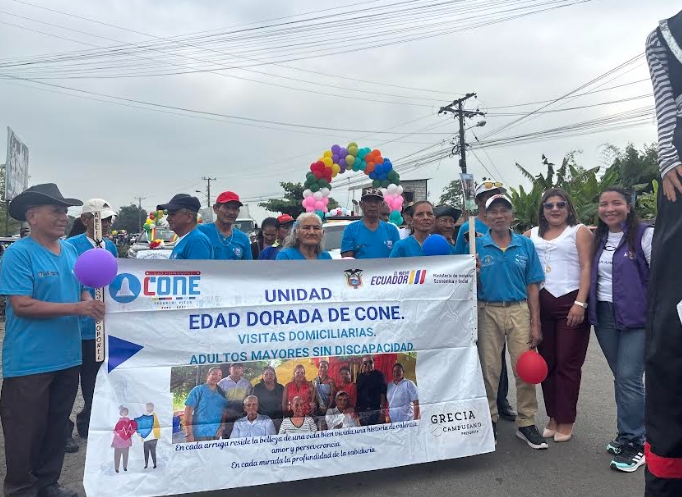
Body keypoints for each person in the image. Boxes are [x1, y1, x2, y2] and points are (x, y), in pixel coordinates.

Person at [1, 183, 105, 497]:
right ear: (32, 216)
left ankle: (47, 484)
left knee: (56, 426)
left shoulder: (70, 251)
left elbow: (83, 288)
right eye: (56, 211)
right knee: (25, 431)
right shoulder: (19, 254)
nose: (63, 217)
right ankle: (20, 488)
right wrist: (78, 308)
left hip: (68, 357)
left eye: (65, 211)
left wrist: (88, 301)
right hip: (30, 362)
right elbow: (22, 305)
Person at [470, 194, 547, 450]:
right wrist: (474, 273)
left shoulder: (525, 245)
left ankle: (526, 422)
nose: (499, 216)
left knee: (524, 368)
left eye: (504, 210)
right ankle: (489, 418)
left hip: (518, 309)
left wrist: (535, 323)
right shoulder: (476, 245)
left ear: (512, 215)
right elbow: (467, 285)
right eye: (493, 212)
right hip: (487, 310)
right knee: (490, 369)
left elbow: (533, 284)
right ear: (486, 216)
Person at [589, 186, 651, 473]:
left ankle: (637, 443)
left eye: (616, 203)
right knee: (622, 378)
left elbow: (663, 275)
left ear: (629, 206)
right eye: (604, 204)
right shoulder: (598, 238)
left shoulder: (644, 235)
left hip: (638, 318)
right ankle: (627, 433)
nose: (609, 209)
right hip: (605, 315)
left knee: (629, 377)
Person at [645, 14, 682, 493]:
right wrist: (669, 156)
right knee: (671, 338)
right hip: (681, 176)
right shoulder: (665, 35)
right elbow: (665, 105)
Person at [524, 189, 593, 443]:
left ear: (568, 207)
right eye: (549, 205)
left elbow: (587, 267)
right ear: (542, 210)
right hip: (542, 305)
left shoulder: (579, 231)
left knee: (567, 363)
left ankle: (566, 419)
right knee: (548, 363)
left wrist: (580, 303)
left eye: (560, 204)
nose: (555, 209)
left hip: (570, 303)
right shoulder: (530, 235)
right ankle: (553, 416)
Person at [454, 180, 517, 422]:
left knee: (501, 356)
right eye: (488, 195)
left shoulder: (505, 224)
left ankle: (502, 399)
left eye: (498, 194)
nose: (493, 198)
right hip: (477, 300)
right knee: (486, 356)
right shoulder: (467, 227)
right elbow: (458, 261)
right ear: (479, 200)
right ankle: (482, 404)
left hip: (505, 300)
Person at [64, 198, 118, 453]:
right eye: (101, 219)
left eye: (109, 220)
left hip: (102, 327)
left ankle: (89, 422)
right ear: (86, 220)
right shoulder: (71, 246)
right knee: (67, 384)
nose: (106, 224)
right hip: (76, 326)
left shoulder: (111, 246)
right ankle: (63, 430)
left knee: (94, 381)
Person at [341, 188, 400, 259]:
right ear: (361, 204)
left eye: (376, 202)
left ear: (382, 205)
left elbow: (398, 259)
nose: (373, 205)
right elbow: (347, 261)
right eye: (369, 201)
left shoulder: (392, 230)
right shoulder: (351, 229)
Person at [198, 191, 252, 260]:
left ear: (238, 211)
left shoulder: (243, 238)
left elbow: (248, 265)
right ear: (215, 209)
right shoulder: (201, 231)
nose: (231, 212)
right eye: (227, 207)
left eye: (235, 208)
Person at [157, 194, 212, 260]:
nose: (167, 219)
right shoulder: (187, 239)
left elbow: (198, 267)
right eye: (168, 215)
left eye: (172, 214)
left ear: (189, 217)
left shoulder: (196, 241)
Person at [184, 367, 228, 442]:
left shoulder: (222, 393)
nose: (217, 377)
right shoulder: (198, 390)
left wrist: (222, 427)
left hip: (216, 433)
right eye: (214, 374)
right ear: (208, 375)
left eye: (220, 375)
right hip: (198, 433)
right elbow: (188, 412)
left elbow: (224, 412)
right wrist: (189, 433)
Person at [356, 355, 387, 426]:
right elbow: (358, 394)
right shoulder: (360, 377)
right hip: (363, 411)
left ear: (374, 362)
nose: (368, 365)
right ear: (362, 364)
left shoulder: (380, 375)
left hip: (376, 410)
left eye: (370, 362)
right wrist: (358, 413)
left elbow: (383, 393)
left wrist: (382, 412)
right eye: (365, 363)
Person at [252, 366, 285, 431]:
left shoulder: (281, 387)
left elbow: (284, 403)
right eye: (266, 374)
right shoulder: (257, 387)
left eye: (271, 374)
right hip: (261, 420)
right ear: (262, 376)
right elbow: (253, 403)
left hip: (277, 419)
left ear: (274, 375)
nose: (269, 376)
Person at [134, 403, 160, 469]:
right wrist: (138, 432)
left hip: (153, 437)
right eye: (147, 407)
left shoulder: (154, 416)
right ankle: (146, 464)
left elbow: (157, 425)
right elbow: (141, 425)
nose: (148, 408)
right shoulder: (145, 416)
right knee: (146, 452)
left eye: (150, 407)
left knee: (153, 452)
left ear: (153, 407)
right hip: (146, 438)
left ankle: (155, 464)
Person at [111, 406, 137, 474]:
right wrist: (117, 433)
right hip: (118, 440)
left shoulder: (129, 420)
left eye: (126, 411)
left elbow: (132, 429)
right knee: (117, 455)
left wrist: (129, 433)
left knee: (125, 454)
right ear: (121, 413)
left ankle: (125, 467)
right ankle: (116, 468)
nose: (125, 413)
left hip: (126, 440)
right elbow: (115, 430)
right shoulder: (118, 420)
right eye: (123, 412)